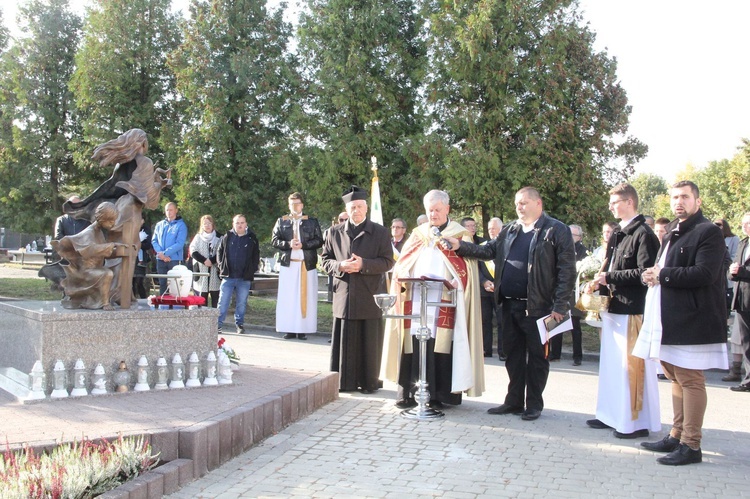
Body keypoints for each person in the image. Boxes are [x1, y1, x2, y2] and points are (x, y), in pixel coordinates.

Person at [447, 186, 576, 421]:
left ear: (538, 203)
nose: (519, 207)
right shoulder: (510, 230)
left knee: (537, 358)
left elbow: (566, 270)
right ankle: (514, 401)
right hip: (508, 305)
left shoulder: (556, 230)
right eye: (517, 202)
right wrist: (460, 247)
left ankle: (534, 404)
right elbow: (487, 251)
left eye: (524, 202)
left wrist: (560, 306)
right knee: (513, 357)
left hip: (539, 308)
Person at [638, 180, 728, 466]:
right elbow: (664, 270)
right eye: (675, 197)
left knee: (690, 380)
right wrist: (650, 274)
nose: (679, 202)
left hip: (694, 318)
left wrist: (662, 275)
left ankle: (692, 444)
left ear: (697, 202)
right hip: (670, 319)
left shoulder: (708, 232)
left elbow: (705, 273)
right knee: (675, 376)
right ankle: (677, 434)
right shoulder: (671, 233)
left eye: (685, 197)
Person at [382, 189, 484, 409]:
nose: (433, 214)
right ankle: (409, 393)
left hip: (445, 298)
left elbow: (467, 269)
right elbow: (402, 263)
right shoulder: (418, 233)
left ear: (447, 209)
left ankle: (439, 395)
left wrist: (458, 281)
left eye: (437, 209)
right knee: (414, 342)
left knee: (440, 343)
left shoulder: (459, 234)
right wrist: (403, 275)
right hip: (416, 296)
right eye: (430, 210)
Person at [584, 183, 661, 439]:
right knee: (612, 368)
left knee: (631, 370)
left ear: (629, 202)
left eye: (615, 202)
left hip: (632, 310)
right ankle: (610, 415)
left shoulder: (644, 234)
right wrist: (600, 278)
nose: (611, 206)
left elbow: (645, 273)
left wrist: (610, 276)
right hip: (614, 308)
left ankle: (634, 423)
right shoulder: (618, 233)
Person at [321, 186, 394, 392]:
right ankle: (344, 382)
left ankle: (369, 382)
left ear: (367, 208)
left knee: (369, 342)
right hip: (344, 294)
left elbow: (388, 262)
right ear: (347, 208)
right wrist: (340, 266)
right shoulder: (333, 232)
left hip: (369, 294)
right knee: (344, 342)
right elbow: (325, 261)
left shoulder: (380, 232)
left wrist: (364, 265)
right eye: (353, 207)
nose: (357, 211)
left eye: (360, 207)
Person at [51, 202, 130, 310]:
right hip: (85, 272)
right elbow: (90, 250)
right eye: (111, 221)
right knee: (107, 273)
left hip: (95, 269)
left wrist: (121, 252)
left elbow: (103, 253)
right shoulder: (89, 232)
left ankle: (112, 297)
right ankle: (105, 303)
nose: (113, 224)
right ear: (102, 219)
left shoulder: (99, 233)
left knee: (117, 270)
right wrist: (112, 245)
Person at [272, 192, 324, 340]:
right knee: (288, 298)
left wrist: (304, 245)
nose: (295, 206)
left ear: (302, 204)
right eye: (292, 204)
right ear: (289, 205)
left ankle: (302, 329)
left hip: (306, 264)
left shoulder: (311, 221)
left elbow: (319, 240)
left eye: (297, 203)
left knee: (305, 297)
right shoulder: (282, 221)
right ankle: (289, 328)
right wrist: (288, 244)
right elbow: (274, 240)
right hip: (288, 265)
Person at [216, 215, 260, 334]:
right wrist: (221, 266)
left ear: (246, 224)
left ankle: (239, 324)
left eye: (242, 223)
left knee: (241, 303)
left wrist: (252, 269)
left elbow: (256, 256)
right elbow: (219, 252)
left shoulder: (252, 238)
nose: (240, 225)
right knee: (223, 302)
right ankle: (218, 325)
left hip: (244, 278)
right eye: (237, 223)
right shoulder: (227, 237)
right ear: (233, 224)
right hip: (228, 277)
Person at [549, 224, 586, 365]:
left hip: (574, 292)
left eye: (573, 235)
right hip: (559, 290)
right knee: (556, 320)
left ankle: (577, 356)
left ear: (580, 237)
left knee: (575, 326)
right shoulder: (561, 247)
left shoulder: (583, 252)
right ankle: (555, 353)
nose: (570, 237)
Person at [727, 212, 750, 391]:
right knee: (746, 342)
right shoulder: (743, 243)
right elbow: (734, 268)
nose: (744, 226)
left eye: (748, 223)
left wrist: (741, 271)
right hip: (742, 300)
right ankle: (748, 381)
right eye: (743, 223)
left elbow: (744, 270)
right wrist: (732, 273)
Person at [479, 217, 505, 359]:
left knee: (502, 321)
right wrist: (483, 281)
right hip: (484, 291)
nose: (492, 231)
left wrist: (498, 283)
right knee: (484, 321)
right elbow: (476, 268)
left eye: (494, 228)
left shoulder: (507, 245)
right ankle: (485, 350)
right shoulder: (483, 246)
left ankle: (503, 351)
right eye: (490, 229)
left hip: (501, 290)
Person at [152, 202, 188, 295]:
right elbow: (154, 240)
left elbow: (179, 243)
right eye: (167, 210)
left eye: (171, 210)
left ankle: (174, 308)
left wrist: (165, 254)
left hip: (174, 260)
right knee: (162, 284)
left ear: (176, 210)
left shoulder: (181, 225)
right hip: (160, 259)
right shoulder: (159, 225)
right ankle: (163, 306)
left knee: (174, 285)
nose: (169, 212)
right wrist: (161, 254)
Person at [189, 215, 222, 307]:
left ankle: (215, 319)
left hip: (215, 272)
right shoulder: (198, 237)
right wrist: (204, 261)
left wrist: (211, 260)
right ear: (202, 226)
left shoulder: (220, 237)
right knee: (201, 300)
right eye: (205, 224)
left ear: (213, 224)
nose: (207, 225)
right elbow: (193, 251)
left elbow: (222, 252)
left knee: (216, 298)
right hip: (201, 271)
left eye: (209, 223)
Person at [716, 218, 740, 312]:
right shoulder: (714, 237)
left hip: (727, 268)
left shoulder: (734, 239)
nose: (717, 227)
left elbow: (735, 254)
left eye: (719, 225)